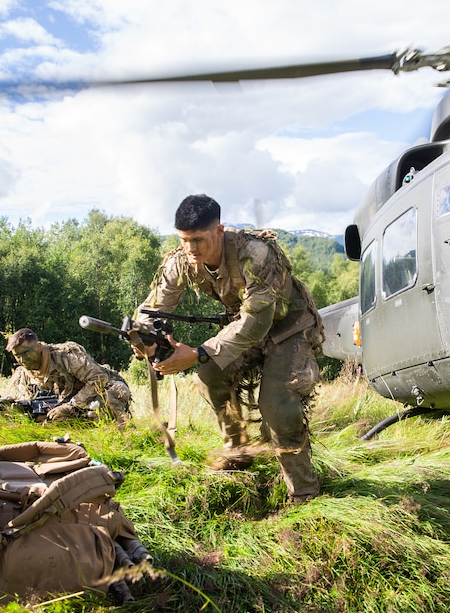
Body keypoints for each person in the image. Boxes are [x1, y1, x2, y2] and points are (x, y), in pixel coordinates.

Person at [132, 194, 324, 502]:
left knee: (277, 405)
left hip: (290, 330)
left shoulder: (256, 255)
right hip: (245, 329)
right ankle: (238, 453)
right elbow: (154, 305)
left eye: (198, 240)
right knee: (209, 376)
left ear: (219, 232)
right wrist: (141, 334)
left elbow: (255, 323)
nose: (191, 249)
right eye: (184, 240)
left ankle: (303, 491)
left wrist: (198, 352)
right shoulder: (181, 260)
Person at [4, 327, 133, 424]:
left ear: (38, 347)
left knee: (113, 393)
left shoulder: (66, 356)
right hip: (68, 404)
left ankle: (123, 433)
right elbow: (31, 399)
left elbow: (99, 378)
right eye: (17, 356)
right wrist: (15, 405)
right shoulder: (24, 375)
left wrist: (71, 406)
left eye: (26, 352)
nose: (23, 359)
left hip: (99, 392)